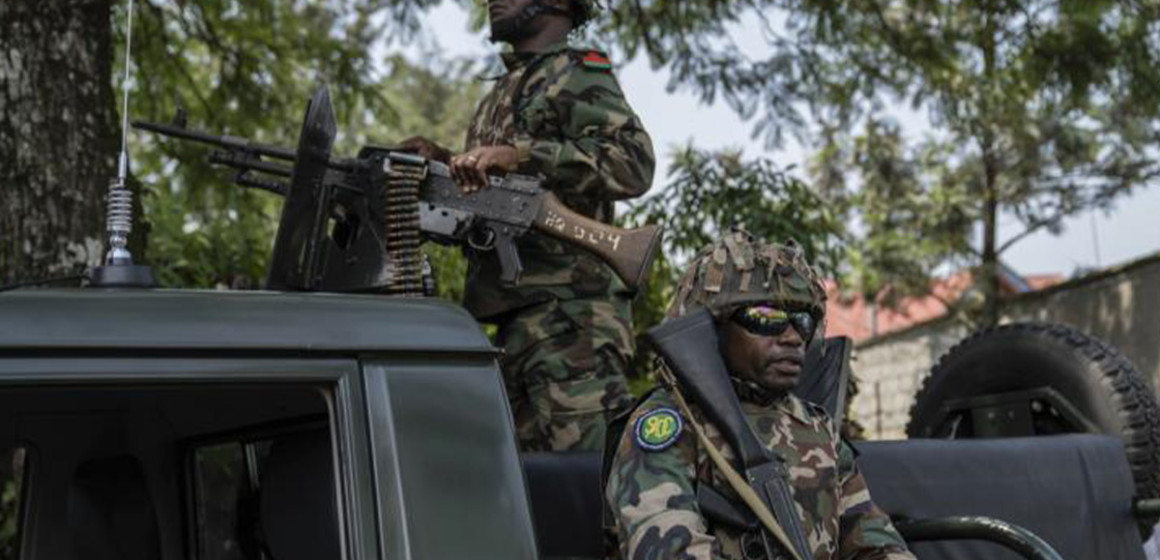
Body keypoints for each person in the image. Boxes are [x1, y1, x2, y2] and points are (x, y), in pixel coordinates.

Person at [401, 0, 655, 452]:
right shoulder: (502, 91)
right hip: (516, 323)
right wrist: (440, 163)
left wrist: (522, 155)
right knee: (528, 484)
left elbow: (632, 163)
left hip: (572, 323)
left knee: (585, 481)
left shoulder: (576, 71)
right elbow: (496, 196)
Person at [605, 229, 915, 560]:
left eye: (803, 321)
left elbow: (874, 540)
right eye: (767, 318)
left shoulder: (815, 425)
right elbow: (666, 548)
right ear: (713, 329)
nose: (793, 338)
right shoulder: (670, 422)